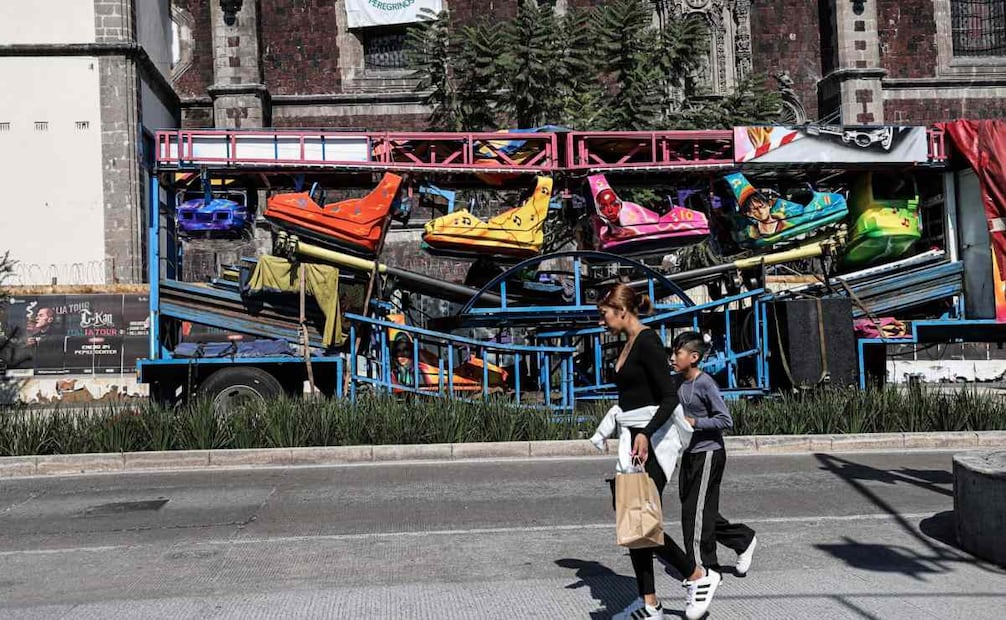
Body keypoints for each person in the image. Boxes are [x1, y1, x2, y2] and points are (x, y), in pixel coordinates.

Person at [595, 284, 721, 620]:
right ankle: (649, 604)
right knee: (632, 520)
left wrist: (645, 434)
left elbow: (669, 398)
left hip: (654, 441)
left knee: (642, 520)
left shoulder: (647, 341)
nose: (602, 320)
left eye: (604, 314)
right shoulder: (628, 343)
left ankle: (697, 575)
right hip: (634, 439)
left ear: (621, 310)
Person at [670, 332, 758, 585]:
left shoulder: (705, 384)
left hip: (708, 453)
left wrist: (694, 422)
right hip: (689, 453)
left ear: (694, 357)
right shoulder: (676, 382)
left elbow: (725, 420)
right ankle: (742, 540)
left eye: (678, 353)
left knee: (695, 514)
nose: (673, 358)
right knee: (699, 511)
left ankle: (704, 571)